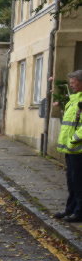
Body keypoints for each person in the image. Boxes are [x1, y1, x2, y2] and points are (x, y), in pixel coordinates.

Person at [54, 69, 82, 222]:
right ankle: (70, 209)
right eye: (70, 82)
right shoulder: (74, 99)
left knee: (78, 182)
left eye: (74, 81)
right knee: (71, 181)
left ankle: (79, 212)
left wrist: (72, 141)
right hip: (71, 150)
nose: (71, 84)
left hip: (78, 149)